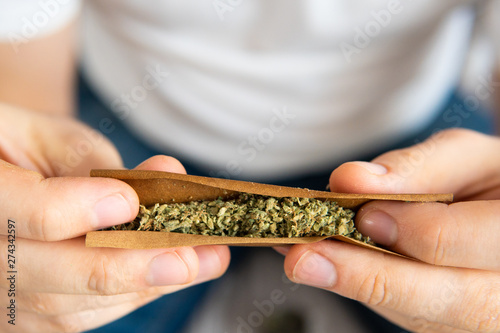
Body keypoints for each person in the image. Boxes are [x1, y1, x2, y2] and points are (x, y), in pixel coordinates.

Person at [0, 1, 499, 332]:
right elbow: (28, 100)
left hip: (407, 136)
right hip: (136, 117)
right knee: (51, 301)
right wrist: (22, 237)